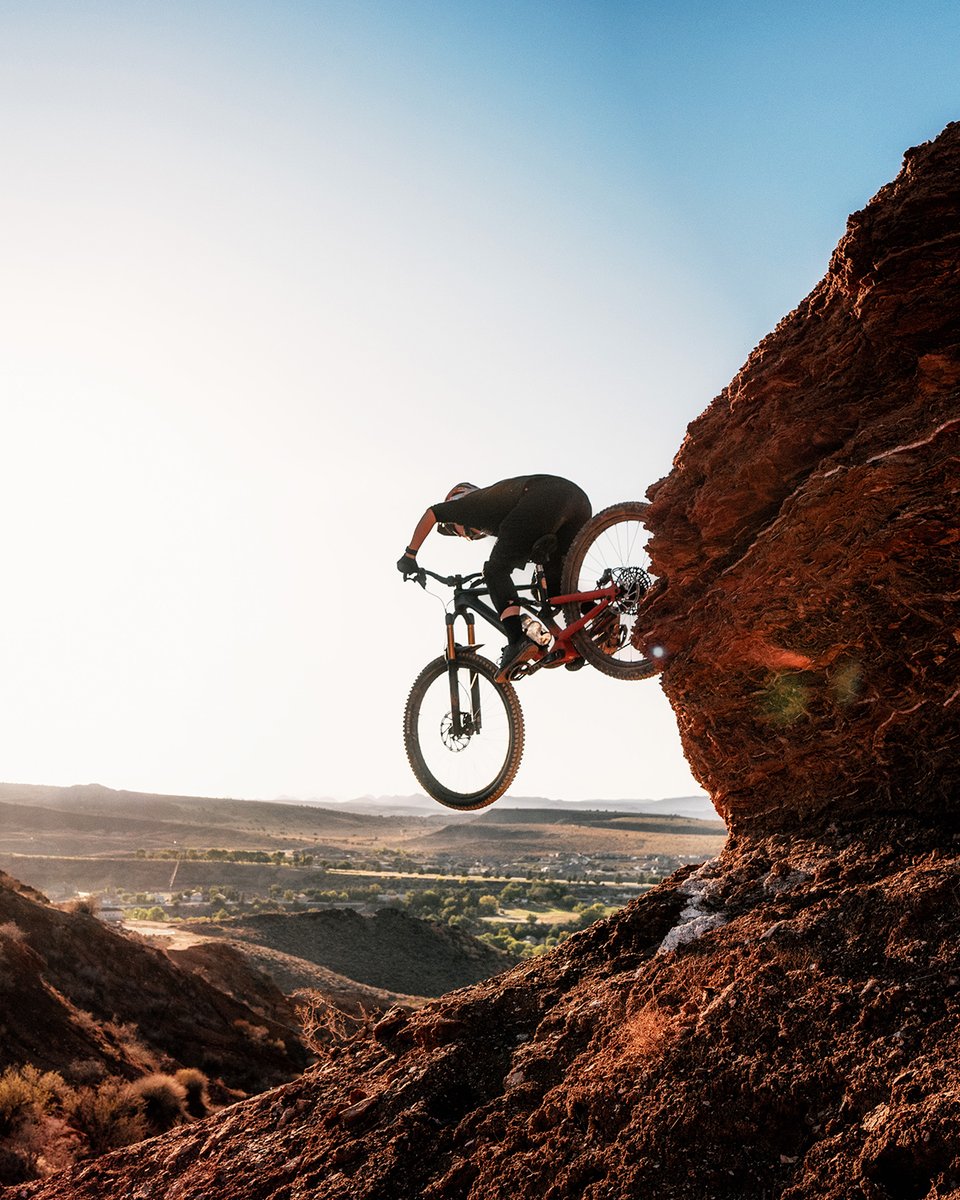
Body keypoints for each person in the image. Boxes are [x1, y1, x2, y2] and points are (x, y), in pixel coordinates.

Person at [397, 475, 592, 680]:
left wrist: (410, 555)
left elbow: (433, 513)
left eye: (462, 533)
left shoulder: (470, 504)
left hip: (542, 499)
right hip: (578, 504)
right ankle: (596, 627)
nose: (468, 536)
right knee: (556, 588)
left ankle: (516, 640)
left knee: (494, 571)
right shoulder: (498, 504)